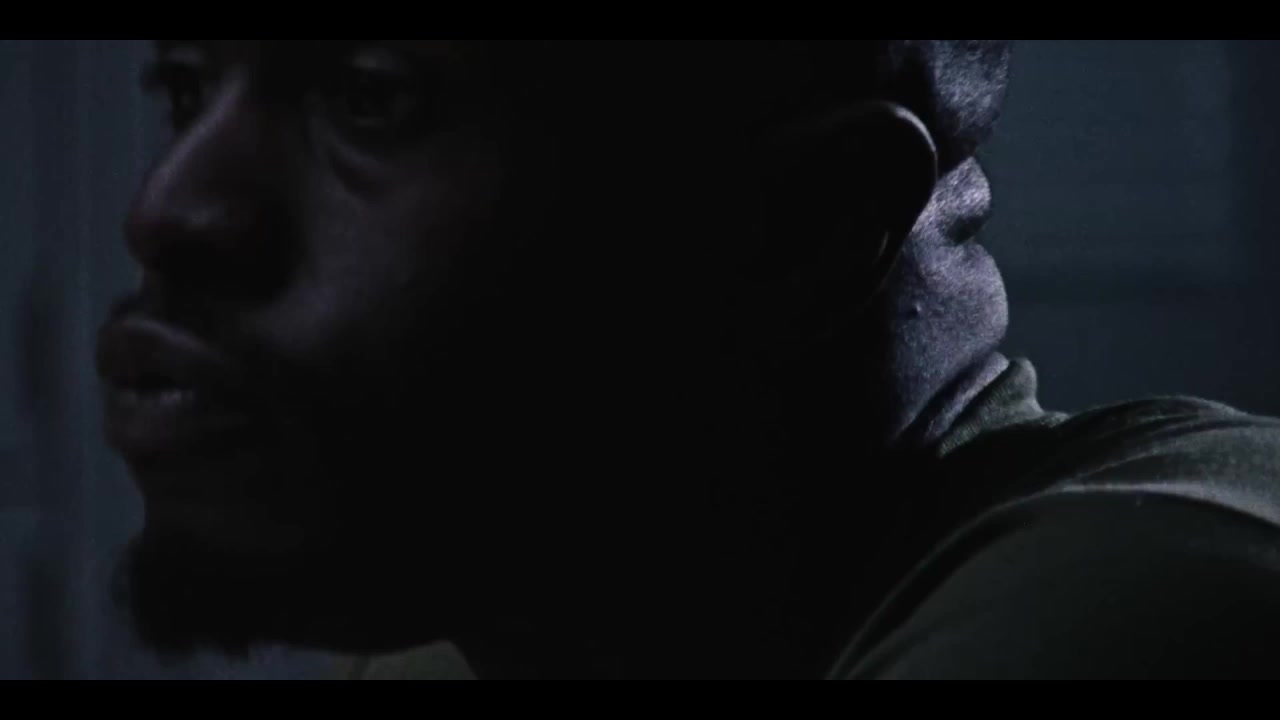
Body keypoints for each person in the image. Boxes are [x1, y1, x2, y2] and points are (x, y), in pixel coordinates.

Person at [95, 40, 1280, 680]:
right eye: (186, 89)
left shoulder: (1154, 599)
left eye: (370, 96)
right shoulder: (450, 634)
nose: (169, 209)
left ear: (804, 226)